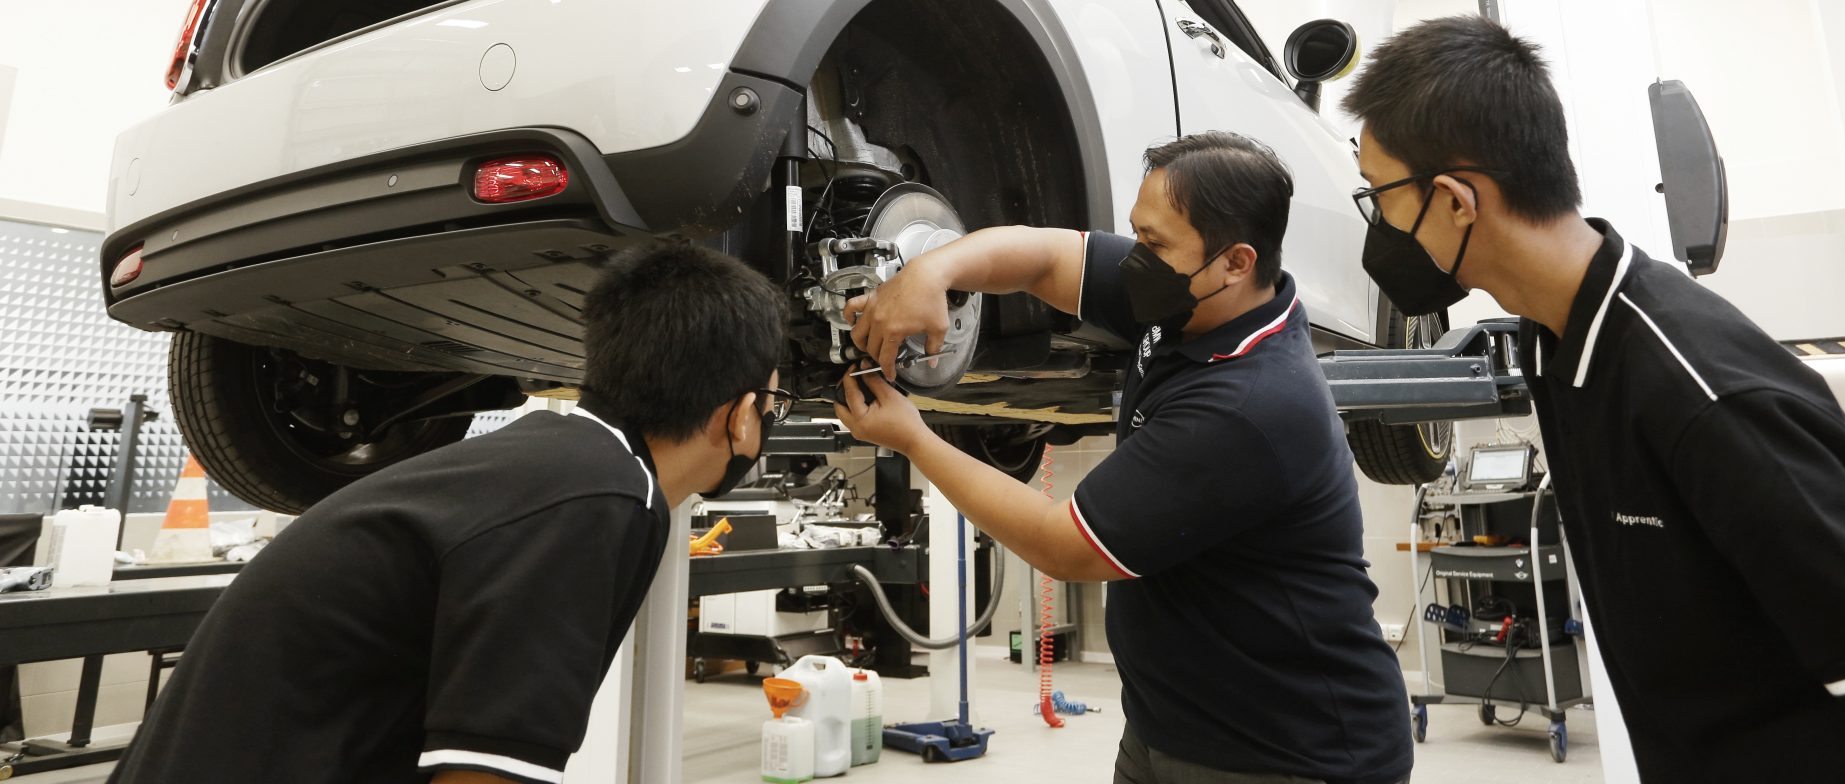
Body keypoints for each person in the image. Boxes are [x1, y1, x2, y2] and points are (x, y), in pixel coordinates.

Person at [1343, 15, 1845, 780]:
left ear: (1455, 200)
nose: (1377, 226)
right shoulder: (1557, 343)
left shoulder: (1701, 391)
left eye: (1379, 196)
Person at [838, 131, 1413, 784]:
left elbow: (1065, 546)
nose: (1136, 255)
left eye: (1155, 243)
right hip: (1169, 727)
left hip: (1292, 753)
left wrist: (915, 439)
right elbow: (1046, 256)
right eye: (1139, 234)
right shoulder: (1189, 300)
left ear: (1236, 261)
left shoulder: (1251, 402)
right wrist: (932, 269)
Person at [110, 243, 792, 784]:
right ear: (736, 417)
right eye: (771, 404)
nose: (767, 422)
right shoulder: (599, 497)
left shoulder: (564, 464)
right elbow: (483, 775)